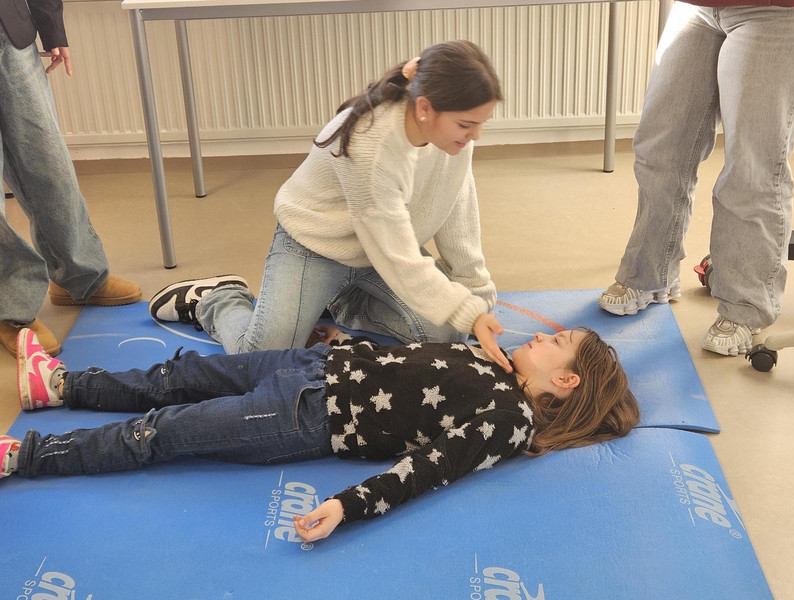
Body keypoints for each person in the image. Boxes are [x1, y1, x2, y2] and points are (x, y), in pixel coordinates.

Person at [2, 321, 639, 543]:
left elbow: (428, 470)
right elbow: (409, 360)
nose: (542, 335)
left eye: (557, 341)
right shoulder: (495, 360)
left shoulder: (510, 420)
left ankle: (25, 456)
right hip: (314, 365)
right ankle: (60, 386)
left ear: (567, 380)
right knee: (183, 375)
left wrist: (347, 506)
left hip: (306, 415)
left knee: (163, 431)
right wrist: (346, 342)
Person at [148, 40, 509, 369]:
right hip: (317, 248)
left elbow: (457, 204)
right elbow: (398, 257)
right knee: (263, 359)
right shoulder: (370, 143)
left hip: (380, 254)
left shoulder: (453, 135)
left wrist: (476, 297)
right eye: (467, 125)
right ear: (425, 108)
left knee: (447, 336)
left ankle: (336, 303)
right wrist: (467, 311)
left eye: (481, 124)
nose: (475, 135)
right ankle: (218, 300)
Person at [598, 2, 794, 356]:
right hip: (696, 8)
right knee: (659, 147)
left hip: (774, 11)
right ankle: (651, 275)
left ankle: (745, 307)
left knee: (751, 167)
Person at [0, 0, 141, 357]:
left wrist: (52, 27)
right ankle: (10, 308)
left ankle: (78, 274)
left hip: (10, 32)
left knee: (48, 162)